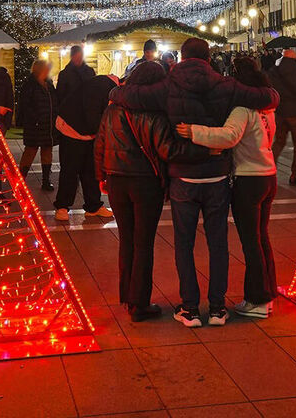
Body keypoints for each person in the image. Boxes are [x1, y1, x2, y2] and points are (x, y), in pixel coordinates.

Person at [109, 37, 279, 328]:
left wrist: (115, 90)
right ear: (208, 57)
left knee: (184, 244)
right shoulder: (223, 84)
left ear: (182, 57)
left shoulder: (168, 85)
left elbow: (130, 96)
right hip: (217, 175)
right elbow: (269, 98)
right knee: (218, 243)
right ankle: (216, 308)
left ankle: (189, 308)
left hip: (183, 176)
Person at [95, 61, 208, 322]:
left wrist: (101, 175)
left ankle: (128, 296)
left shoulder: (113, 108)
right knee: (143, 242)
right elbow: (167, 150)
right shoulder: (154, 112)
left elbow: (100, 143)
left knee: (127, 239)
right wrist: (203, 150)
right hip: (145, 183)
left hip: (116, 180)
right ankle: (140, 303)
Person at [177, 56, 278, 319]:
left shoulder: (242, 109)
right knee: (262, 238)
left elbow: (229, 135)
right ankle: (267, 294)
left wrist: (194, 131)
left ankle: (257, 299)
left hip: (249, 179)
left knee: (251, 242)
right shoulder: (267, 109)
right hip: (269, 175)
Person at [54, 74, 116, 220]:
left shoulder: (103, 85)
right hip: (72, 129)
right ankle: (62, 207)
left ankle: (93, 206)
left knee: (90, 170)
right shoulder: (103, 88)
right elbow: (92, 115)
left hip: (86, 132)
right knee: (71, 170)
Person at [269, 48, 296, 186]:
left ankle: (268, 171)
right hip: (295, 113)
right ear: (295, 58)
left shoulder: (273, 72)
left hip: (280, 112)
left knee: (278, 142)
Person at [16, 59, 57, 190]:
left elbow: (54, 101)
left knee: (47, 151)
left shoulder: (49, 84)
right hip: (34, 124)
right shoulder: (30, 85)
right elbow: (25, 105)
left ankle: (46, 180)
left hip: (48, 125)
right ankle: (20, 180)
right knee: (30, 151)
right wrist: (34, 118)